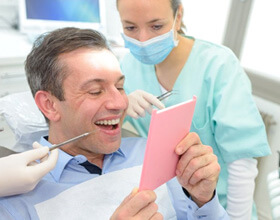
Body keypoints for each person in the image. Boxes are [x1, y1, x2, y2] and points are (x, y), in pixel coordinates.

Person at [0, 27, 229, 220]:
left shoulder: (151, 153)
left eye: (120, 87)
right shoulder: (17, 199)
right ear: (49, 104)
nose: (120, 103)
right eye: (95, 91)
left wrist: (203, 199)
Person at [116, 0, 271, 219]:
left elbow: (242, 163)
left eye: (156, 26)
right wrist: (122, 105)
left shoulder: (218, 66)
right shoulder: (128, 66)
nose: (143, 39)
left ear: (178, 17)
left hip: (221, 205)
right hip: (166, 204)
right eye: (131, 27)